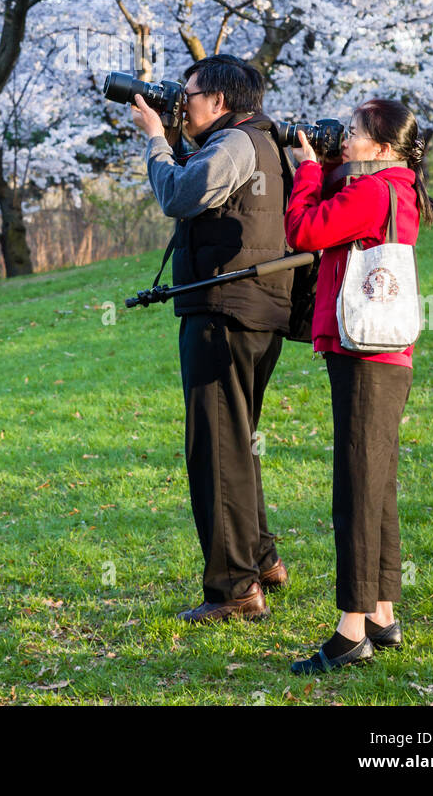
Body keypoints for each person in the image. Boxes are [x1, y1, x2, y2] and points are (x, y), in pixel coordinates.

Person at [131, 54, 293, 623]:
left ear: (221, 102)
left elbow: (178, 194)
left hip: (223, 311)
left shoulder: (235, 145)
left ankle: (235, 591)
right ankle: (263, 560)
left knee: (216, 450)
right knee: (238, 442)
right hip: (257, 309)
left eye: (191, 95)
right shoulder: (265, 143)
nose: (183, 103)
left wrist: (155, 139)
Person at [284, 98, 433, 674]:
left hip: (363, 352)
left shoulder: (372, 191)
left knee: (355, 487)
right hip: (388, 354)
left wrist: (307, 171)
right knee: (379, 484)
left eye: (353, 133)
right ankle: (381, 612)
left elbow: (304, 232)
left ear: (382, 144)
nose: (344, 141)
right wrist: (330, 172)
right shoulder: (398, 189)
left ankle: (351, 630)